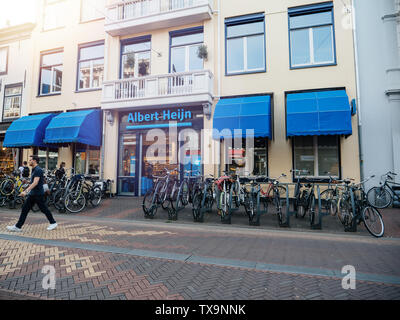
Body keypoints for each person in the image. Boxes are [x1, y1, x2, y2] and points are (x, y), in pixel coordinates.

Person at [7, 155, 57, 232]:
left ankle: (53, 223)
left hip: (38, 194)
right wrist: (27, 182)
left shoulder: (38, 170)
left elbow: (36, 182)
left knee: (44, 209)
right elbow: (33, 181)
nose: (29, 161)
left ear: (34, 161)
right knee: (25, 209)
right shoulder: (34, 169)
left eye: (30, 160)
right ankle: (18, 226)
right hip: (33, 194)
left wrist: (26, 191)